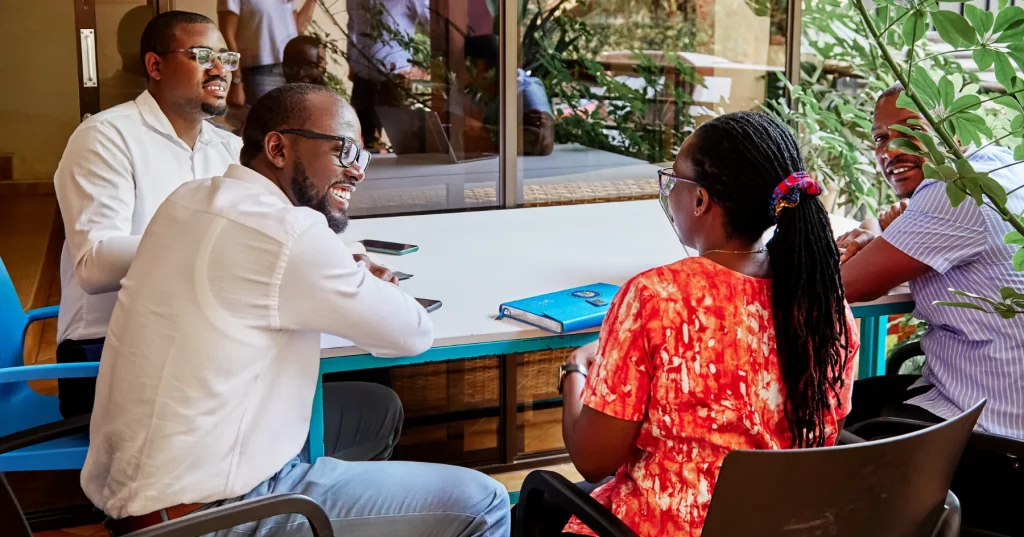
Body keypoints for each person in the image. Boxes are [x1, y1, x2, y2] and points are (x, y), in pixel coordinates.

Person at [82, 83, 511, 537]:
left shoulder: (187, 199)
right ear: (278, 148)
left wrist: (331, 272)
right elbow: (410, 333)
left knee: (374, 409)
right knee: (484, 502)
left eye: (361, 157)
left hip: (135, 496)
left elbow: (256, 278)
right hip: (211, 515)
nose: (358, 172)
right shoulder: (288, 232)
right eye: (344, 150)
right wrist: (362, 279)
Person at [542, 112, 859, 536]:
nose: (668, 193)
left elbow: (593, 461)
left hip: (662, 528)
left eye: (673, 181)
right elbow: (825, 431)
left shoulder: (656, 297)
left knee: (542, 500)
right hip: (781, 525)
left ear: (700, 200)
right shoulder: (824, 301)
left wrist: (576, 370)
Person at [54, 11, 242, 419]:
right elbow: (94, 265)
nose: (219, 69)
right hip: (106, 353)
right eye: (203, 55)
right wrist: (212, 240)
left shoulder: (229, 149)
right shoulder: (106, 137)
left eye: (227, 59)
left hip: (194, 335)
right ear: (155, 65)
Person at [839, 83, 1024, 440]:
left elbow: (839, 287)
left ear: (953, 128)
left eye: (912, 130)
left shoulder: (956, 190)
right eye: (880, 138)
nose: (891, 150)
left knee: (820, 415)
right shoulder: (1000, 165)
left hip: (987, 426)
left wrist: (870, 236)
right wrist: (876, 235)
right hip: (979, 394)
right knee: (851, 400)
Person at [452, 34, 555, 156]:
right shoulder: (474, 91)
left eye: (461, 67)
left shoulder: (526, 90)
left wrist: (481, 129)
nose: (457, 74)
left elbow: (543, 142)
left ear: (479, 65)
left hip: (515, 173)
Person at [347, 0, 430, 151]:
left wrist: (427, 68)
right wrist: (351, 62)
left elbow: (437, 27)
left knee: (406, 145)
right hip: (362, 81)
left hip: (396, 82)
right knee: (362, 145)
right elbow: (352, 27)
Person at [219, 0, 317, 107]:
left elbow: (297, 29)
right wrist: (236, 80)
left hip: (290, 71)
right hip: (258, 73)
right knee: (260, 120)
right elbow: (226, 36)